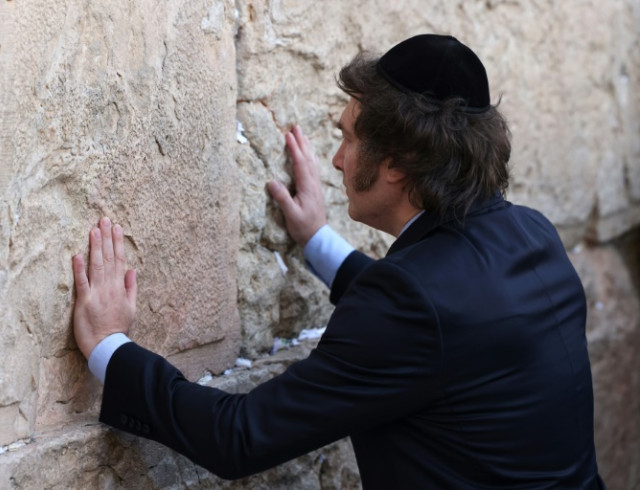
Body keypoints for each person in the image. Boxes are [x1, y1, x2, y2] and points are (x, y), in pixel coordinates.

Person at [72, 34, 605, 488]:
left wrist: (109, 347)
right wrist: (317, 240)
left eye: (349, 137)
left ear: (397, 163)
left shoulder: (411, 303)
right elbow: (440, 325)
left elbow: (238, 436)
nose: (336, 158)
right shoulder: (531, 234)